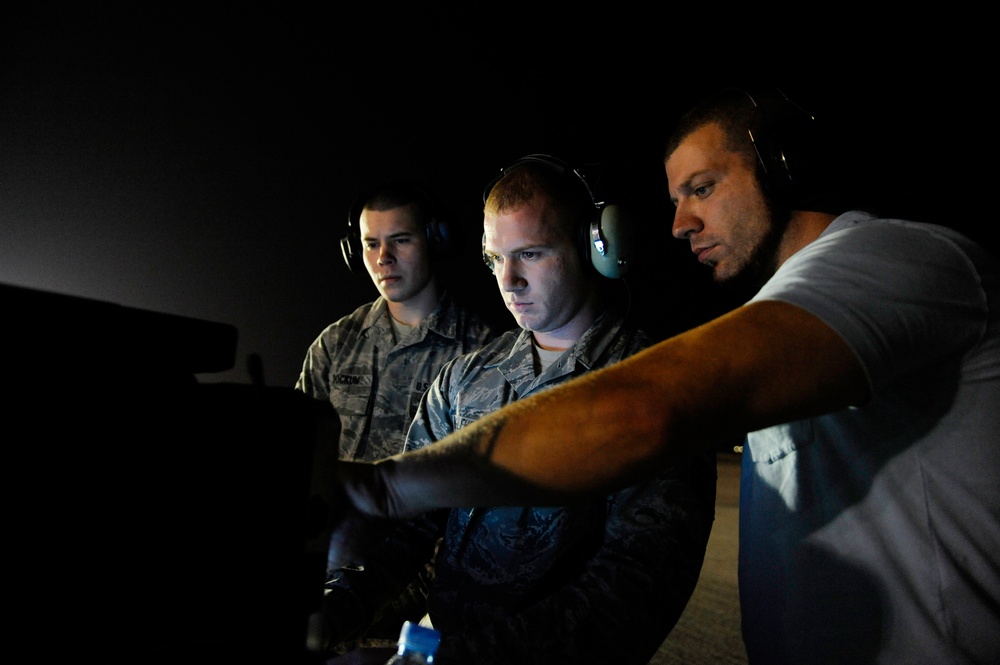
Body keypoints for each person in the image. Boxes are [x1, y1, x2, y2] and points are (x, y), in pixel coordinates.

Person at [322, 89, 1000, 665]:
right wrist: (344, 602)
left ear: (784, 167)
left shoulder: (900, 259)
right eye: (675, 197)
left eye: (702, 188)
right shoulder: (781, 327)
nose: (678, 223)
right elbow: (416, 532)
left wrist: (379, 485)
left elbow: (646, 433)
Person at [320, 155, 717, 665]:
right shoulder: (464, 379)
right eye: (495, 259)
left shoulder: (654, 387)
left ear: (592, 247)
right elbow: (410, 529)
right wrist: (331, 615)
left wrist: (455, 660)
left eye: (530, 253)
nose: (509, 280)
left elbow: (633, 590)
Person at [296, 180, 499, 645]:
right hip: (322, 590)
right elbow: (300, 464)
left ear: (435, 239)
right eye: (371, 243)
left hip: (418, 611)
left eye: (400, 240)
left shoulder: (481, 354)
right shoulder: (334, 346)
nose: (383, 258)